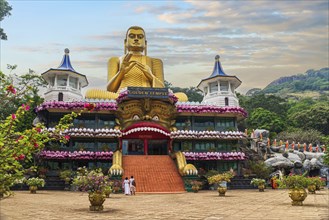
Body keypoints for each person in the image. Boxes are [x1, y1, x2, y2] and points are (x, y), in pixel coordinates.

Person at [107, 26, 165, 93]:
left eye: (140, 37)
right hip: (120, 97)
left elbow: (162, 91)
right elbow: (110, 90)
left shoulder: (155, 61)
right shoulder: (116, 60)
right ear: (125, 42)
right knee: (95, 93)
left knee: (179, 96)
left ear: (145, 43)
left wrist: (150, 76)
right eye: (132, 36)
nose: (136, 39)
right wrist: (121, 72)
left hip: (148, 98)